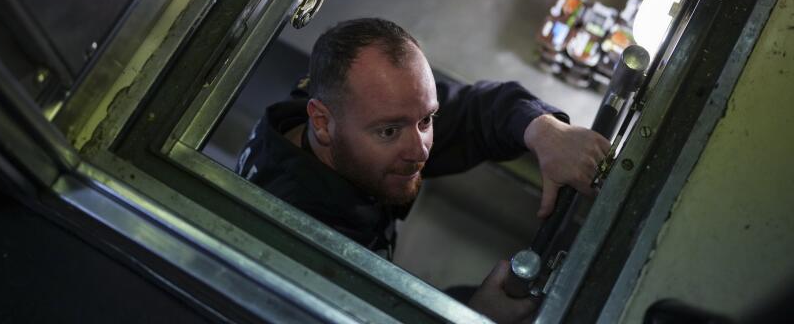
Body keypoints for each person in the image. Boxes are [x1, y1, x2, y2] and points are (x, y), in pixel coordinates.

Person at [235, 18, 610, 322]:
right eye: (389, 131)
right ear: (321, 122)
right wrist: (470, 317)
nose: (420, 150)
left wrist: (543, 129)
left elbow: (478, 109)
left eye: (427, 119)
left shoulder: (350, 115)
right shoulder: (291, 247)